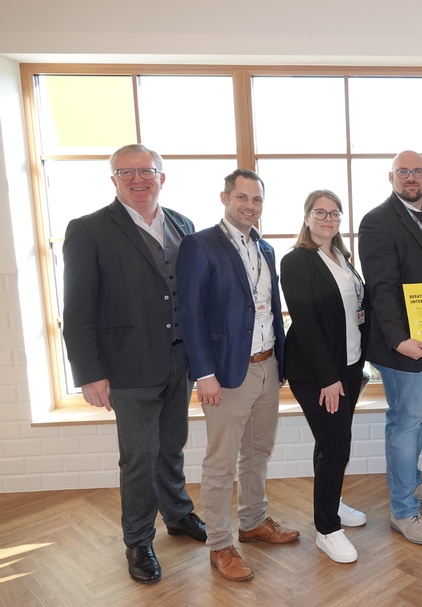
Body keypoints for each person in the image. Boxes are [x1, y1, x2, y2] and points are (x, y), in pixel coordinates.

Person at [62, 144, 205, 584]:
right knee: (140, 456)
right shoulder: (88, 229)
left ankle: (177, 513)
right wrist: (89, 373)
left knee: (172, 444)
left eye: (146, 171)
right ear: (114, 180)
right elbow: (77, 307)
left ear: (162, 176)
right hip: (126, 365)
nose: (137, 179)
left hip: (179, 357)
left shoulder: (183, 223)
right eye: (126, 172)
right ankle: (139, 540)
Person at [176, 169, 298, 582]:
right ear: (225, 198)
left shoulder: (265, 248)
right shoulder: (200, 245)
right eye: (242, 197)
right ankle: (219, 545)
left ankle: (253, 522)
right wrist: (204, 373)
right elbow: (190, 315)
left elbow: (270, 308)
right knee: (221, 463)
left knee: (258, 451)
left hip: (267, 365)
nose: (249, 206)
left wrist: (280, 364)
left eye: (256, 199)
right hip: (226, 373)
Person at [358, 150, 422, 545]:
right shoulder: (377, 221)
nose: (411, 178)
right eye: (403, 172)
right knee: (405, 419)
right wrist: (399, 340)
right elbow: (381, 288)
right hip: (405, 345)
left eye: (417, 171)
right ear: (391, 177)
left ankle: (411, 482)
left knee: (420, 414)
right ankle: (403, 510)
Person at [281, 190, 368, 563]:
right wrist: (328, 378)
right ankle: (327, 530)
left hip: (349, 366)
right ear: (306, 218)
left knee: (331, 444)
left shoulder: (342, 257)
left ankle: (330, 503)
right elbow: (306, 324)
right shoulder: (296, 261)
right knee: (336, 445)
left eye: (334, 213)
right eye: (320, 212)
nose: (328, 219)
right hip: (317, 372)